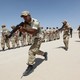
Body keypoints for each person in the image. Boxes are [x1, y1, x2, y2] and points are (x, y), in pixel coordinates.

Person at [8, 10, 48, 75]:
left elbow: (33, 31)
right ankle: (44, 54)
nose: (24, 18)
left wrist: (24, 29)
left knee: (31, 51)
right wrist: (20, 29)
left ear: (29, 16)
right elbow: (24, 31)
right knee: (35, 50)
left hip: (39, 37)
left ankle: (30, 66)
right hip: (34, 38)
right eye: (23, 17)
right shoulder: (24, 23)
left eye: (25, 16)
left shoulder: (35, 21)